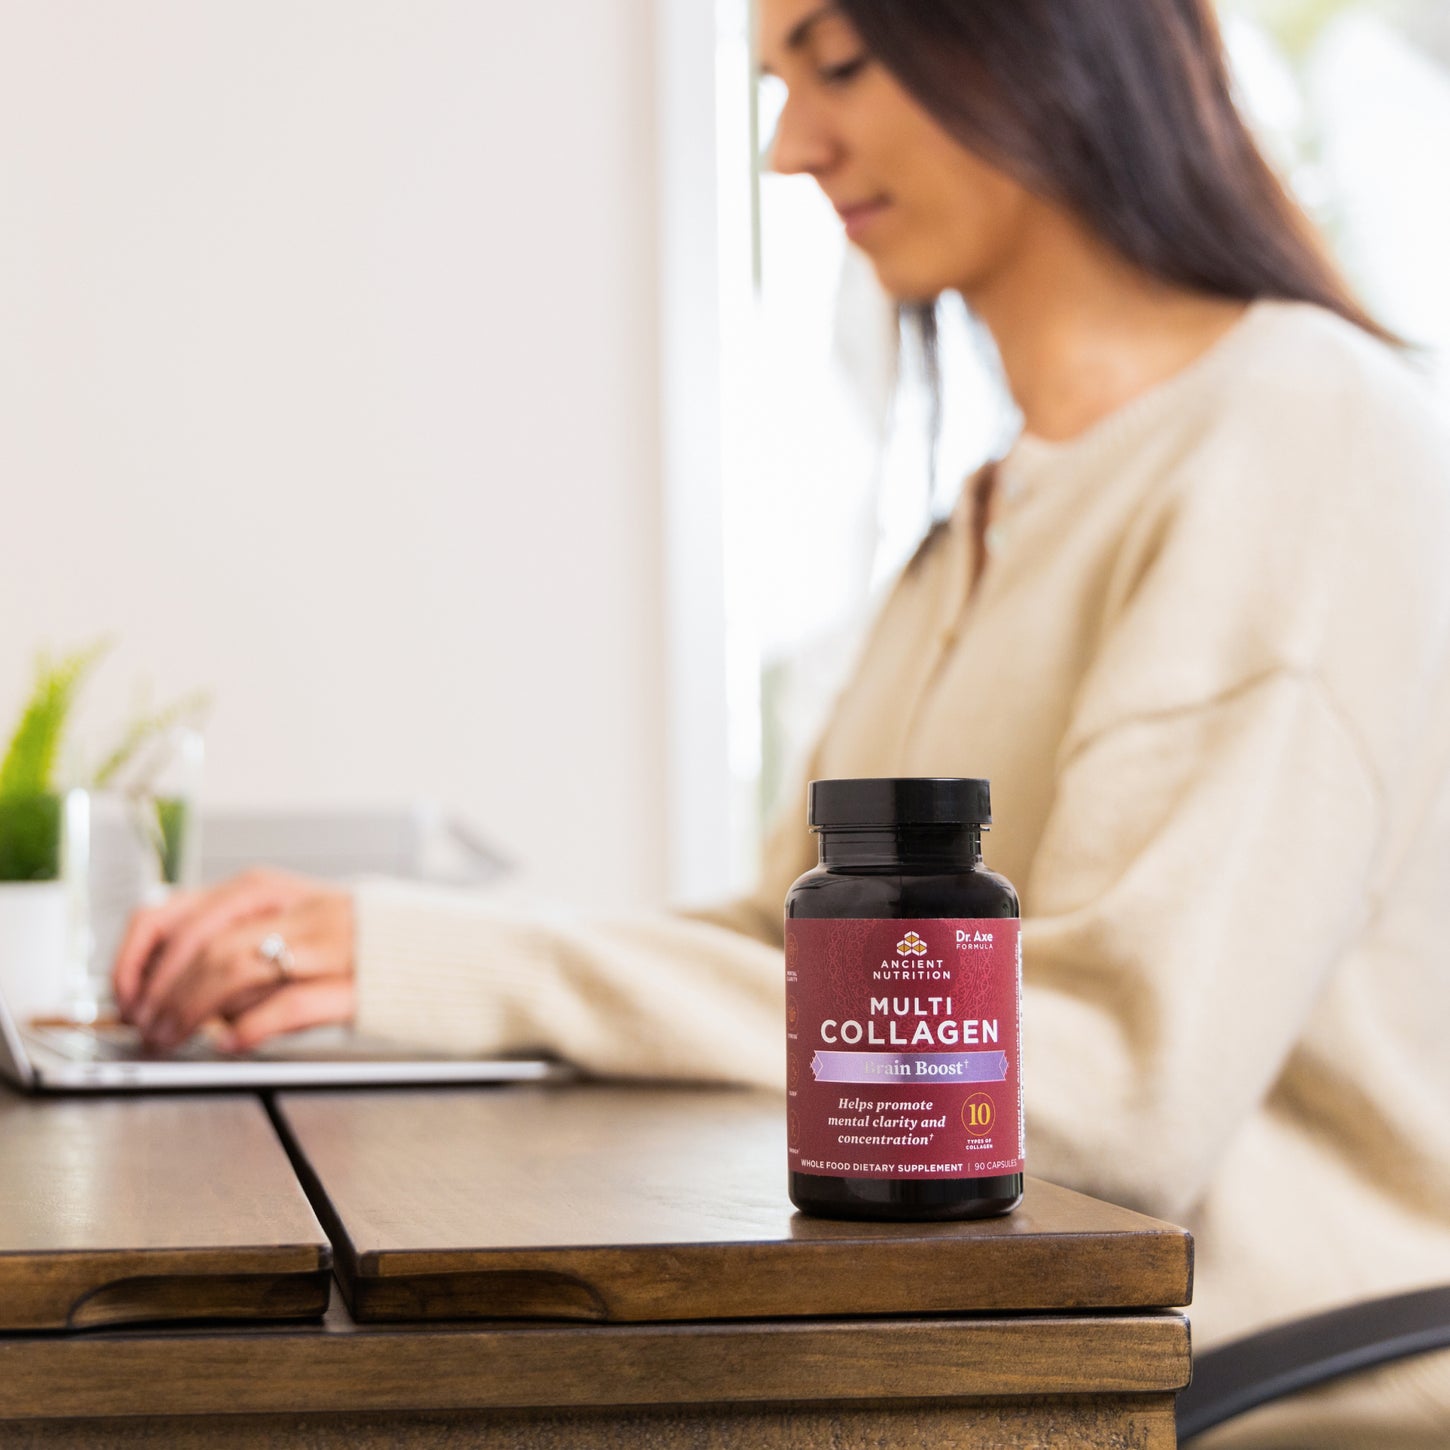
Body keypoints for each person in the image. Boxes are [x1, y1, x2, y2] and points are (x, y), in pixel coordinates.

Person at [113, 1, 1450, 1443]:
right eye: (772, 82)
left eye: (839, 63)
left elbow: (1110, 1086)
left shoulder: (1298, 437)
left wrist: (449, 964)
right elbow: (790, 948)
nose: (789, 146)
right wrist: (390, 959)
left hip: (1260, 1377)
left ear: (1050, 39)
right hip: (1024, 1346)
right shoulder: (997, 507)